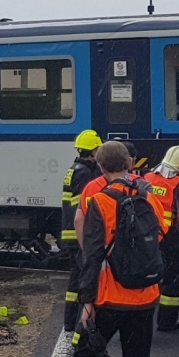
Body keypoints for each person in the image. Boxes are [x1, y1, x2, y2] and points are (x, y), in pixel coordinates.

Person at [66, 141, 162, 357]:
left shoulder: (100, 200)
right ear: (130, 164)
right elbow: (159, 236)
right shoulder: (149, 196)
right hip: (145, 299)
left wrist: (87, 303)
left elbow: (92, 256)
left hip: (109, 299)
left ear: (101, 167)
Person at [145, 146, 179, 332]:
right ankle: (166, 320)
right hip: (168, 237)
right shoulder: (178, 183)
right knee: (174, 276)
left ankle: (143, 316)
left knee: (148, 277)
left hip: (147, 236)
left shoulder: (148, 178)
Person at [61, 130, 103, 332]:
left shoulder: (74, 169)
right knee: (85, 278)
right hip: (79, 234)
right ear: (93, 151)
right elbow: (86, 206)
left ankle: (70, 322)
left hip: (70, 232)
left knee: (75, 280)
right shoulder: (85, 173)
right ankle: (81, 324)